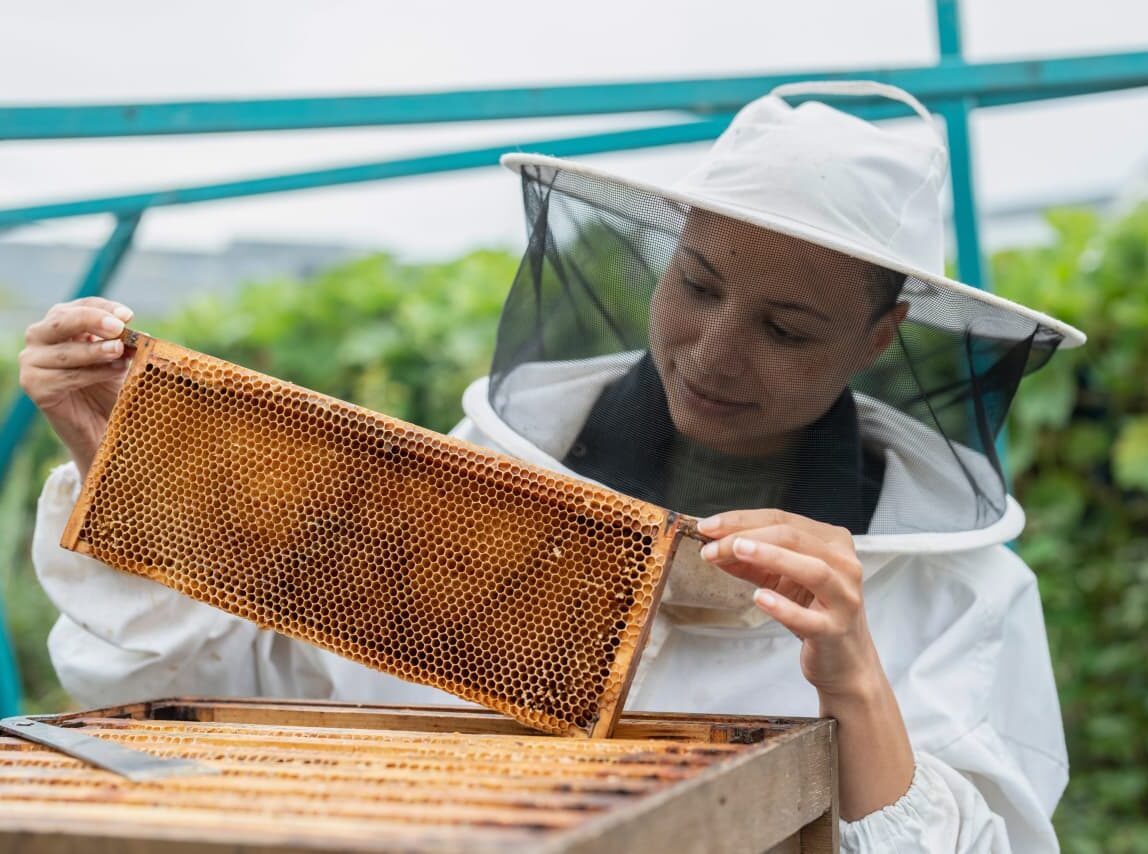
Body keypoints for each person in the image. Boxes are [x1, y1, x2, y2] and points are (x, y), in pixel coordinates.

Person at [21, 81, 1084, 852]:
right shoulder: (474, 482)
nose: (715, 353)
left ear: (879, 337)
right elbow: (226, 694)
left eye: (787, 328)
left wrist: (854, 679)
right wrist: (118, 459)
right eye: (699, 284)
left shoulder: (963, 594)